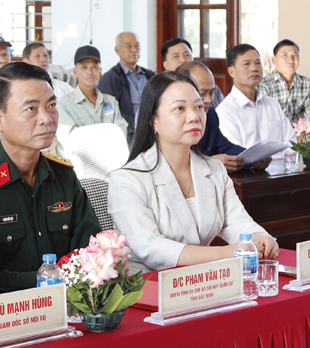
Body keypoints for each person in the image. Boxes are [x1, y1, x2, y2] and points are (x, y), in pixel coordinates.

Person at [0, 62, 101, 291]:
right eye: (31, 109)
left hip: (72, 303)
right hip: (4, 308)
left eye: (51, 105)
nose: (47, 118)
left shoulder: (63, 175)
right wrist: (50, 281)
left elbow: (92, 251)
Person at [108, 71, 279, 273]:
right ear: (153, 120)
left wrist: (259, 237)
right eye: (180, 108)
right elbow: (150, 247)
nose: (194, 117)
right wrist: (226, 253)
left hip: (203, 280)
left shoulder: (214, 169)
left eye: (199, 107)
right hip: (149, 285)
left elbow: (236, 222)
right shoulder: (126, 180)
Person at [216, 43, 296, 149]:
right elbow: (235, 153)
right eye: (246, 64)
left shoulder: (273, 104)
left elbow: (291, 143)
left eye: (258, 63)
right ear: (231, 71)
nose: (254, 68)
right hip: (247, 161)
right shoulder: (225, 111)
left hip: (282, 160)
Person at [52, 45, 128, 156]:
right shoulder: (63, 105)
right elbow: (73, 142)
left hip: (110, 160)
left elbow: (121, 133)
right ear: (75, 72)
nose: (90, 72)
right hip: (76, 164)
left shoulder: (111, 102)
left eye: (94, 66)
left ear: (100, 71)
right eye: (84, 67)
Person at [176, 61, 247, 172]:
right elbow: (172, 163)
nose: (208, 100)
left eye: (212, 93)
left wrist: (253, 157)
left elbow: (225, 147)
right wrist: (210, 163)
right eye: (202, 93)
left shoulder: (210, 115)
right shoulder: (172, 120)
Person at [97, 31, 154, 142]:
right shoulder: (109, 78)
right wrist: (139, 124)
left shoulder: (150, 75)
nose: (134, 50)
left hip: (154, 130)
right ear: (117, 50)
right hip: (128, 135)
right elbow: (109, 113)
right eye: (128, 46)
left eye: (137, 45)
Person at [257, 39, 310, 123]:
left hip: (300, 131)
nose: (291, 60)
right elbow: (265, 119)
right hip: (274, 131)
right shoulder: (264, 85)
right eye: (285, 55)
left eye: (295, 55)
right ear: (274, 60)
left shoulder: (308, 84)